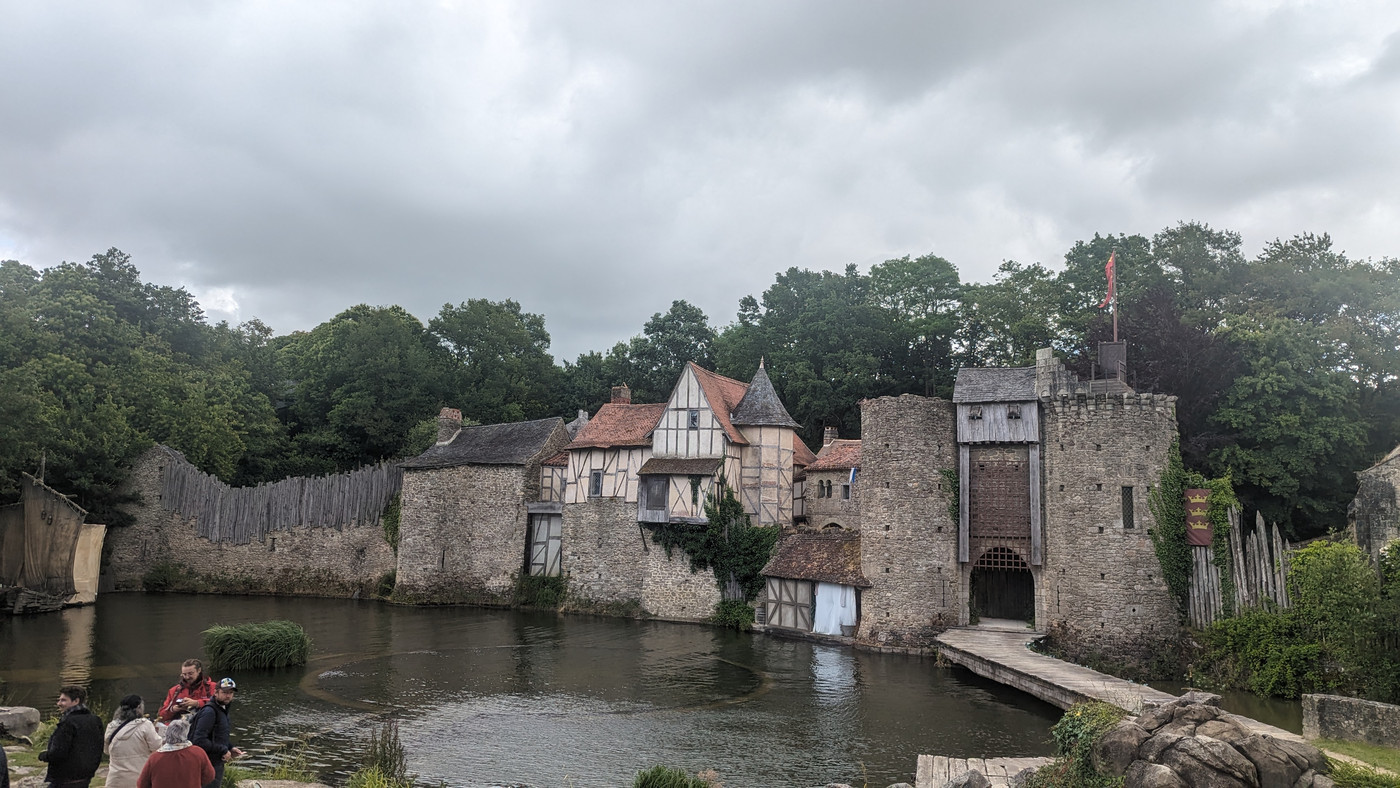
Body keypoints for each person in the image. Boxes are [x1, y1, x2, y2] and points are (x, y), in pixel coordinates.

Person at [37, 685, 103, 788]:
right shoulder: (95, 720)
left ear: (76, 701)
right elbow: (99, 747)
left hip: (65, 778)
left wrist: (44, 756)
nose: (59, 703)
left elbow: (58, 752)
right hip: (85, 776)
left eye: (63, 700)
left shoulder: (68, 723)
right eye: (59, 700)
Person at [189, 678, 243, 788]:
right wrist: (223, 749)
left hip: (216, 762)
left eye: (230, 693)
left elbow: (218, 735)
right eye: (224, 692)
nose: (228, 696)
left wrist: (230, 747)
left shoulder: (222, 710)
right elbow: (198, 740)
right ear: (216, 692)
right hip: (207, 764)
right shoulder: (210, 712)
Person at [104, 695, 165, 788]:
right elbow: (157, 746)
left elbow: (107, 750)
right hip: (139, 776)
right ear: (139, 708)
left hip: (115, 778)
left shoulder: (111, 726)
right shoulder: (145, 725)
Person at [136, 719, 214, 788]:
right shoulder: (198, 753)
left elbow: (142, 784)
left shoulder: (155, 758)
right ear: (186, 733)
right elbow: (209, 776)